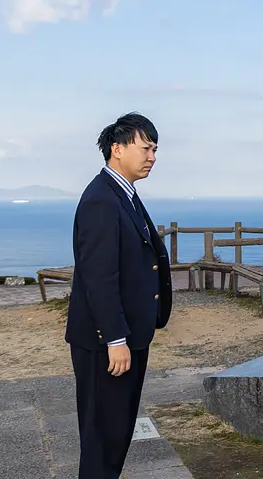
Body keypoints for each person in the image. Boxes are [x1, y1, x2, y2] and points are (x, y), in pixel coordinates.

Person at [65, 112, 173, 479]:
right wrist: (115, 338)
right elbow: (99, 278)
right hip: (107, 343)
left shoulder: (123, 193)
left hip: (129, 335)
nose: (152, 157)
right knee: (103, 440)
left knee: (117, 435)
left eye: (155, 149)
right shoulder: (102, 200)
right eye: (145, 147)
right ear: (117, 149)